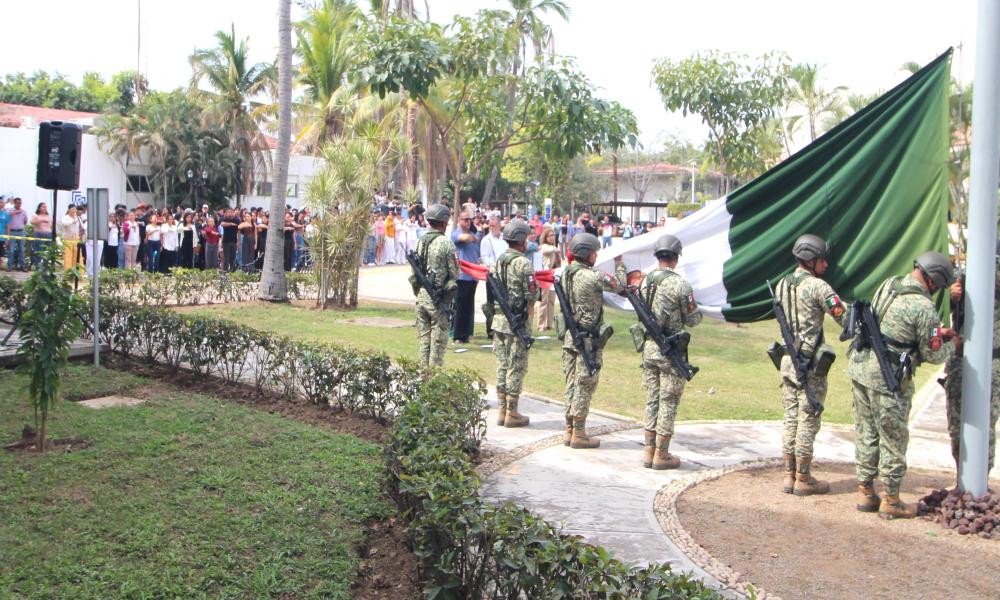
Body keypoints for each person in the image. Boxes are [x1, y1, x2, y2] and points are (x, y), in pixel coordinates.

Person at [847, 251, 959, 519]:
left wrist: (935, 334)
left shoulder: (890, 284)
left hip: (861, 368)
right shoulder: (924, 308)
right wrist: (953, 345)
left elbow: (893, 326)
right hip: (889, 379)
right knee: (894, 439)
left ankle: (865, 491)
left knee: (867, 432)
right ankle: (892, 499)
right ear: (933, 281)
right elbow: (932, 354)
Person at [774, 234, 849, 496]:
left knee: (791, 417)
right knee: (808, 418)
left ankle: (788, 474)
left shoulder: (782, 284)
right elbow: (844, 317)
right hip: (810, 364)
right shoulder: (819, 288)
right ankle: (803, 478)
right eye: (822, 260)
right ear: (811, 260)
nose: (826, 265)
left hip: (788, 360)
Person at [634, 234, 703, 469]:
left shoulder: (644, 281)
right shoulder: (680, 284)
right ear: (675, 257)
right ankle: (662, 454)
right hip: (670, 350)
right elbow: (692, 319)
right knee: (668, 400)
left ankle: (648, 450)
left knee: (652, 398)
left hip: (649, 348)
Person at [560, 233, 626, 449]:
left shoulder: (566, 274)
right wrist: (620, 264)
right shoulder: (593, 276)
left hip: (571, 335)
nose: (596, 255)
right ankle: (579, 433)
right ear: (587, 254)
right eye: (594, 252)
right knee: (585, 384)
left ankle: (569, 430)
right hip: (587, 339)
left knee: (571, 381)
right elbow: (619, 285)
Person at [943, 265, 1000, 480]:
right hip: (961, 358)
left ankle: (980, 480)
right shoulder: (964, 278)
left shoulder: (987, 275)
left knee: (984, 423)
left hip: (992, 362)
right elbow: (939, 310)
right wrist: (951, 296)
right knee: (956, 424)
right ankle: (962, 479)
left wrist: (985, 276)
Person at [492, 219, 539, 429]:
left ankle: (502, 410)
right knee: (516, 366)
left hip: (499, 319)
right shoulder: (523, 263)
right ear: (521, 240)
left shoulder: (499, 260)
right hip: (517, 321)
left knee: (502, 364)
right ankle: (512, 412)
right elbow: (532, 292)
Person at [410, 204, 459, 367]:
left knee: (424, 342)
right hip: (438, 300)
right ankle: (433, 382)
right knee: (437, 346)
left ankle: (424, 376)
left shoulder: (419, 242)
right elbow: (454, 273)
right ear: (444, 223)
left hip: (421, 298)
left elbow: (414, 272)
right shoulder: (446, 243)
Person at [451, 211, 481, 343]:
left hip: (473, 276)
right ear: (459, 221)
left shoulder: (473, 235)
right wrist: (474, 236)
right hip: (462, 276)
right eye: (465, 220)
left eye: (469, 220)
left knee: (468, 307)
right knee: (460, 307)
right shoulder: (456, 233)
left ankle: (465, 335)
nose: (468, 222)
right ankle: (457, 335)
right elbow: (464, 239)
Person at [479, 215, 508, 339]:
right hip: (492, 275)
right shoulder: (486, 240)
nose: (491, 227)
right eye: (490, 225)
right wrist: (497, 264)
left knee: (503, 303)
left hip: (505, 275)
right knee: (491, 304)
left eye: (493, 225)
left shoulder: (504, 238)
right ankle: (490, 330)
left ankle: (503, 328)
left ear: (499, 225)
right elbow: (485, 258)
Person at [536, 227, 559, 331]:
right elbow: (551, 249)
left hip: (552, 276)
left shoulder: (552, 247)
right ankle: (541, 325)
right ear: (545, 237)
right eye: (550, 235)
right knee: (543, 301)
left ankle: (549, 324)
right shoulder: (543, 247)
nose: (552, 237)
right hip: (544, 276)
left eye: (553, 235)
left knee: (551, 301)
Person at [5, 197, 28, 271]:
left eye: (20, 203)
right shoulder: (10, 210)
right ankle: (9, 267)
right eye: (17, 203)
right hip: (12, 231)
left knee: (21, 249)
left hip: (21, 231)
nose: (19, 204)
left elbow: (25, 221)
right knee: (11, 250)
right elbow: (8, 214)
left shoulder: (23, 211)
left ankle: (22, 266)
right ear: (14, 203)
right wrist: (17, 212)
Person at [30, 202, 52, 268]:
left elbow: (51, 225)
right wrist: (41, 220)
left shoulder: (48, 216)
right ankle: (38, 266)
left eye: (45, 207)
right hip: (39, 234)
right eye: (43, 207)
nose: (45, 208)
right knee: (38, 251)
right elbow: (32, 222)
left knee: (47, 251)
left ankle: (46, 266)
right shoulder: (36, 215)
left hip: (48, 234)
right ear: (39, 208)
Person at [60, 205, 82, 271]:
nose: (74, 210)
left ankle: (77, 271)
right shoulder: (66, 217)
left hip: (76, 239)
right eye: (72, 209)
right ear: (69, 210)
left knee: (77, 255)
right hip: (67, 239)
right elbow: (64, 223)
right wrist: (72, 221)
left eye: (75, 209)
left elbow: (82, 227)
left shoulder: (78, 218)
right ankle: (67, 271)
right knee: (68, 256)